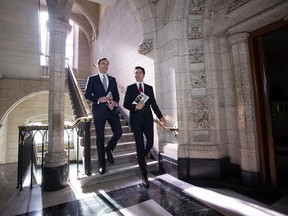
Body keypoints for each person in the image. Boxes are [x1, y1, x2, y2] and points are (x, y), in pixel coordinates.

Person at [123, 66, 166, 188]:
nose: (137, 74)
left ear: (143, 75)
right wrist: (135, 107)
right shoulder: (130, 88)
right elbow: (125, 103)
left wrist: (160, 116)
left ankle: (140, 156)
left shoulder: (149, 88)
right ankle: (144, 175)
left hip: (147, 120)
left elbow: (153, 104)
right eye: (135, 73)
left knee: (150, 143)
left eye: (140, 72)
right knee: (139, 145)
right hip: (136, 121)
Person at [84, 58, 122, 174]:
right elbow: (87, 94)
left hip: (111, 110)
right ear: (98, 65)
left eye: (107, 64)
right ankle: (102, 164)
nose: (105, 66)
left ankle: (109, 148)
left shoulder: (112, 79)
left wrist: (115, 102)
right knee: (100, 137)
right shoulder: (92, 79)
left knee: (119, 132)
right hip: (99, 111)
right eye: (103, 64)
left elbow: (116, 95)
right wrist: (98, 100)